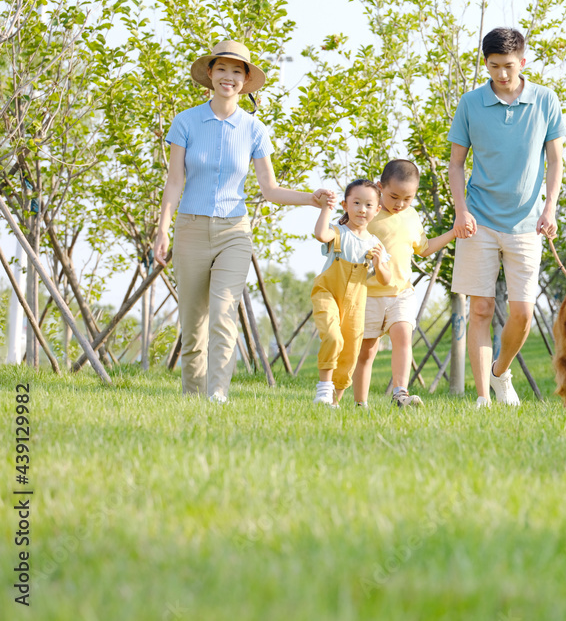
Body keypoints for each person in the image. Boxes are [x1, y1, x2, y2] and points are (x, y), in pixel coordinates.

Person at [153, 40, 331, 403]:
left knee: (222, 313)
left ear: (246, 79)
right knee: (193, 326)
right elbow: (174, 182)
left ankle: (218, 395)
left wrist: (310, 199)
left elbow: (270, 188)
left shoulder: (253, 129)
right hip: (190, 228)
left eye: (237, 71)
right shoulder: (185, 121)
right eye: (222, 69)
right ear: (210, 75)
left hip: (234, 231)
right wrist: (162, 230)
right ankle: (192, 399)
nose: (228, 77)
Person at [447, 27, 565, 407]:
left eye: (508, 66)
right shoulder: (470, 103)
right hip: (478, 219)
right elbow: (456, 163)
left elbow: (555, 160)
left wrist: (550, 207)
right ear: (485, 63)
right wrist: (461, 210)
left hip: (527, 223)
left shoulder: (545, 100)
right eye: (494, 66)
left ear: (523, 62)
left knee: (523, 314)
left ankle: (500, 373)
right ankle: (482, 398)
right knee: (479, 309)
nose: (501, 74)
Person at [350, 159, 457, 408]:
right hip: (368, 294)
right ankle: (360, 403)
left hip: (401, 292)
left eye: (407, 198)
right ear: (380, 187)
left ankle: (401, 394)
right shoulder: (368, 214)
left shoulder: (411, 216)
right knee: (367, 351)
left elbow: (425, 248)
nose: (400, 204)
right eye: (394, 196)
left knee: (403, 336)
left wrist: (453, 232)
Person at [312, 179, 390, 408]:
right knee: (333, 337)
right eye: (356, 203)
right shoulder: (337, 233)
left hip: (356, 304)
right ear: (345, 205)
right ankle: (324, 389)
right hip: (327, 293)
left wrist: (379, 263)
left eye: (368, 205)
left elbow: (385, 280)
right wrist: (326, 208)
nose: (361, 209)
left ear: (377, 210)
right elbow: (320, 234)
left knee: (350, 352)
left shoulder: (376, 245)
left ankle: (334, 402)